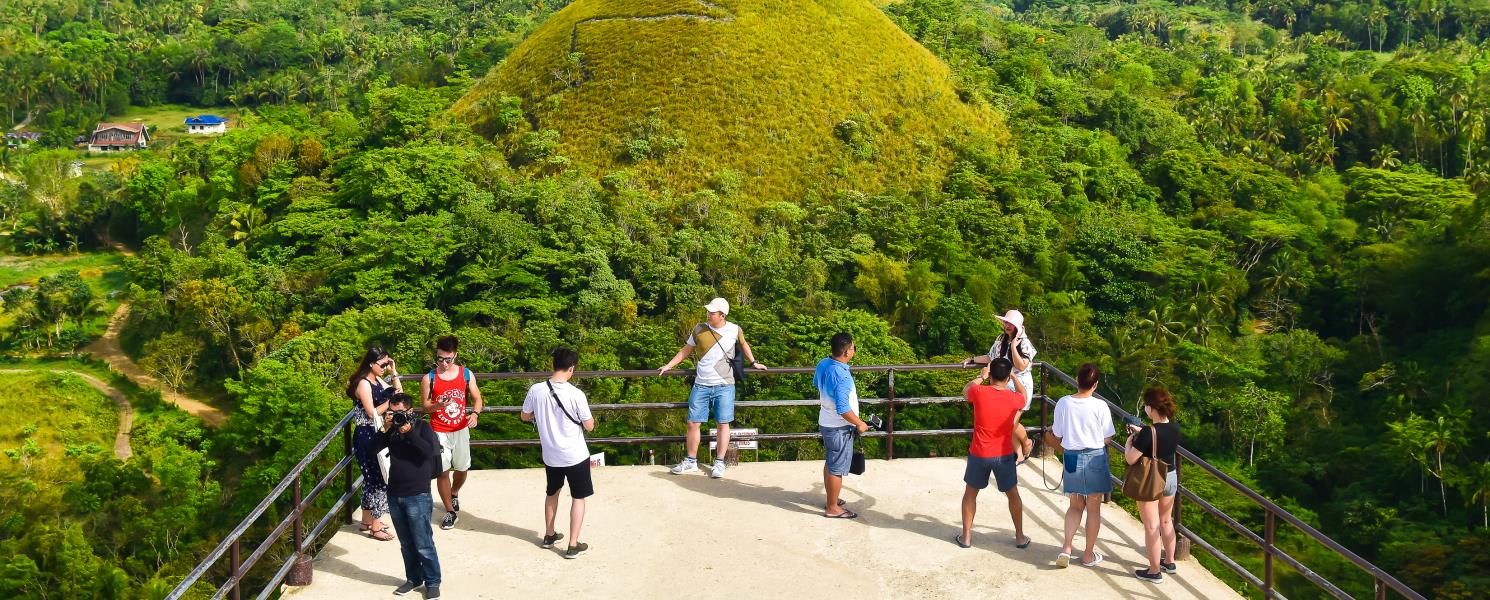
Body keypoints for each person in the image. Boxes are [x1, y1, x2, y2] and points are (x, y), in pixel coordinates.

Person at [658, 297, 767, 479]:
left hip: (725, 384)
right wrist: (669, 365)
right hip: (701, 383)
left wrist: (754, 362)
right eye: (708, 311)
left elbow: (744, 344)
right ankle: (691, 461)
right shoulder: (699, 329)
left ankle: (719, 462)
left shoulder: (734, 329)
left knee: (723, 424)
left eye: (712, 312)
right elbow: (686, 349)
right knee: (693, 422)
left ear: (722, 315)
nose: (708, 314)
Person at [521, 347, 597, 559]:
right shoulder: (576, 394)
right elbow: (589, 426)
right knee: (578, 498)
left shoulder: (536, 390)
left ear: (553, 365)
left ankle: (549, 534)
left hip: (551, 455)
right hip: (575, 455)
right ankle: (573, 545)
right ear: (571, 368)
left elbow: (525, 416)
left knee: (552, 493)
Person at [954, 358, 1031, 550]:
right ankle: (1020, 537)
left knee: (970, 495)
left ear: (991, 375)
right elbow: (1025, 395)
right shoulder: (1013, 398)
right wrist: (1014, 376)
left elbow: (966, 390)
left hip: (979, 453)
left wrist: (981, 377)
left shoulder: (979, 392)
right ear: (1007, 377)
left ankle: (966, 537)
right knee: (1013, 495)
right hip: (1004, 455)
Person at [375, 393, 442, 599]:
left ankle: (432, 581)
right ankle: (413, 578)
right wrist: (385, 429)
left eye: (399, 413)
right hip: (395, 493)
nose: (396, 417)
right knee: (406, 543)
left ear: (410, 411)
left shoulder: (422, 427)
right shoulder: (391, 430)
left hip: (417, 493)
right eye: (392, 413)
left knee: (423, 542)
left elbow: (429, 451)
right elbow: (372, 450)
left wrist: (409, 432)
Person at [1050, 363, 1114, 569]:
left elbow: (1057, 434)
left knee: (1075, 506)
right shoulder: (1100, 406)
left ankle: (1066, 548)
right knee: (1093, 510)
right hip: (1095, 457)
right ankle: (1087, 555)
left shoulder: (1063, 403)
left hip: (1071, 457)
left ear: (1077, 380)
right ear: (1095, 384)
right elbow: (1108, 437)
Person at [421, 335, 484, 530]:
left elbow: (477, 399)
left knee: (462, 468)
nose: (443, 363)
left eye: (448, 359)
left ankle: (454, 492)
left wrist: (475, 414)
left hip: (460, 429)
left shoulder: (466, 374)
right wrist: (436, 405)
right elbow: (424, 406)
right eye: (439, 358)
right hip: (439, 431)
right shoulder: (429, 378)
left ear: (455, 355)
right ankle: (450, 511)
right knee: (442, 472)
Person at [345, 346, 403, 541]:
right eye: (383, 364)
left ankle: (366, 521)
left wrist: (394, 373)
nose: (385, 367)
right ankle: (376, 527)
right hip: (366, 435)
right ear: (371, 363)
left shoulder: (376, 379)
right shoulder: (363, 383)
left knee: (371, 478)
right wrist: (391, 401)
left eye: (387, 363)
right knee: (378, 479)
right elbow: (371, 412)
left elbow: (400, 395)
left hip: (376, 433)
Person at [962, 309, 1036, 459]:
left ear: (1018, 326)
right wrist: (972, 359)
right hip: (1003, 383)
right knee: (1005, 421)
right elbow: (991, 357)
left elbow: (1021, 366)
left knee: (1010, 422)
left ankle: (1027, 442)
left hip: (1019, 383)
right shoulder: (1001, 339)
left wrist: (1014, 347)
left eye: (1011, 323)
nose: (1007, 325)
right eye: (1006, 322)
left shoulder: (1024, 343)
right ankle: (1020, 454)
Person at [1125, 387, 1181, 584]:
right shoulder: (1174, 428)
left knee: (1151, 526)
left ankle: (1154, 571)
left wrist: (1130, 441)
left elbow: (1131, 459)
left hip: (1151, 480)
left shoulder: (1149, 432)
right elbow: (1159, 437)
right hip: (1170, 476)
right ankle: (1170, 562)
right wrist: (1143, 432)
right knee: (1166, 521)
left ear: (1151, 408)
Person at [813, 332, 869, 519]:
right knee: (837, 468)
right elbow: (843, 409)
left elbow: (817, 384)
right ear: (846, 352)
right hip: (839, 427)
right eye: (853, 347)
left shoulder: (823, 363)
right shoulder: (842, 376)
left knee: (831, 462)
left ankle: (832, 499)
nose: (854, 350)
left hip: (825, 422)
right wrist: (860, 423)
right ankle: (832, 508)